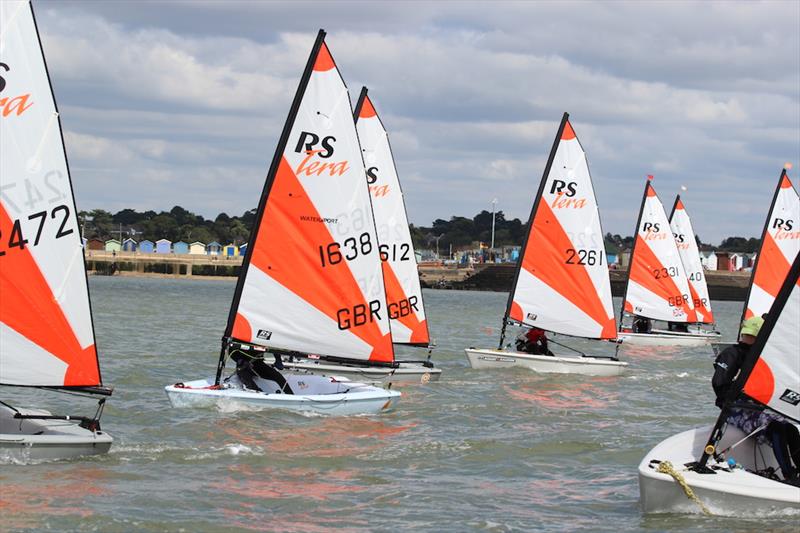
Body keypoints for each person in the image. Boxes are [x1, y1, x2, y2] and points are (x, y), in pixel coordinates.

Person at [712, 316, 800, 483]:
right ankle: (790, 476)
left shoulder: (758, 356)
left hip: (755, 408)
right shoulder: (732, 354)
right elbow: (718, 383)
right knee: (777, 427)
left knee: (791, 430)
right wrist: (742, 394)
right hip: (734, 409)